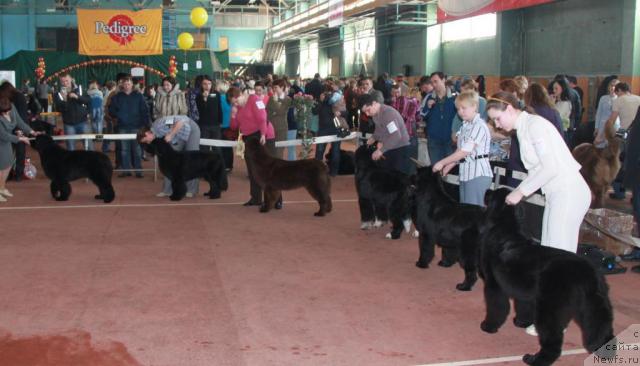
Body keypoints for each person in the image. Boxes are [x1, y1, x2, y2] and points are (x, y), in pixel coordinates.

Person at [486, 91, 590, 254]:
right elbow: (539, 170)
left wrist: (519, 192)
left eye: (497, 119)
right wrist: (519, 191)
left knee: (559, 253)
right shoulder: (523, 129)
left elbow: (550, 168)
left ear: (510, 109)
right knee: (549, 249)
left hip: (568, 192)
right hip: (556, 193)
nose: (497, 125)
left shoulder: (535, 126)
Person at [433, 91, 492, 206]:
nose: (460, 112)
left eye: (463, 108)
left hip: (478, 174)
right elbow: (459, 150)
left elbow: (465, 151)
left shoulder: (479, 126)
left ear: (474, 106)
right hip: (466, 172)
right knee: (465, 211)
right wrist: (448, 166)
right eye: (458, 109)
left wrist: (442, 162)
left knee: (473, 212)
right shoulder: (465, 126)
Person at [227, 86, 277, 207]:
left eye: (237, 100)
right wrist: (233, 115)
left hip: (264, 135)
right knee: (252, 169)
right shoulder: (237, 108)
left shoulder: (254, 99)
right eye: (233, 103)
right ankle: (255, 198)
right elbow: (234, 127)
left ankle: (276, 200)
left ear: (241, 94)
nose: (236, 103)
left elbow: (262, 118)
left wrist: (263, 134)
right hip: (249, 138)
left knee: (269, 170)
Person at [138, 115, 201, 198]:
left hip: (191, 130)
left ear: (147, 133)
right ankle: (167, 191)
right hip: (178, 136)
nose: (148, 143)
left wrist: (171, 134)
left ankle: (191, 190)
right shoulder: (156, 136)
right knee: (169, 162)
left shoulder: (160, 124)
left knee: (192, 160)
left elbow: (182, 120)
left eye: (146, 140)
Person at [598, 82, 640, 199]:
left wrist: (601, 136)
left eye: (616, 92)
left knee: (617, 161)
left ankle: (619, 193)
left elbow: (611, 120)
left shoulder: (619, 100)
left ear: (619, 91)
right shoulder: (638, 98)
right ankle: (635, 195)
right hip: (637, 134)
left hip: (625, 133)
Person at [358, 93, 411, 175]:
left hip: (400, 148)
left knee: (399, 179)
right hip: (390, 147)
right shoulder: (375, 114)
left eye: (368, 110)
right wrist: (373, 138)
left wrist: (381, 151)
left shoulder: (388, 113)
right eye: (365, 112)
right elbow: (379, 129)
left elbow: (396, 136)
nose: (367, 114)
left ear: (374, 103)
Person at [108, 76, 149, 178]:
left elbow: (145, 110)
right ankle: (126, 170)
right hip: (122, 127)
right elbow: (111, 110)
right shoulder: (117, 97)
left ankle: (138, 171)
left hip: (137, 127)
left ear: (132, 85)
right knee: (124, 150)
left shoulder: (139, 96)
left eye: (128, 84)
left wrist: (145, 125)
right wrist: (118, 116)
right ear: (122, 85)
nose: (127, 86)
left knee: (137, 149)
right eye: (125, 84)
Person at [0, 97, 39, 202]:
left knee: (7, 166)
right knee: (1, 168)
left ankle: (2, 189)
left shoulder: (11, 107)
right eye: (4, 112)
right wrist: (20, 138)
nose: (8, 113)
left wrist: (32, 132)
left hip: (6, 143)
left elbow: (20, 122)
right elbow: (4, 135)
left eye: (8, 111)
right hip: (2, 141)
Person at [422, 71, 457, 164]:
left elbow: (462, 118)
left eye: (436, 81)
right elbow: (421, 115)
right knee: (436, 169)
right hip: (434, 141)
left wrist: (456, 132)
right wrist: (427, 108)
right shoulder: (429, 97)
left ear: (443, 80)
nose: (434, 85)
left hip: (451, 140)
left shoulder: (455, 96)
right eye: (432, 82)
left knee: (450, 170)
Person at [53, 73, 91, 151]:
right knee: (70, 149)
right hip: (68, 124)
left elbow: (88, 100)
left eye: (67, 80)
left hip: (83, 122)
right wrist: (65, 100)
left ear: (71, 79)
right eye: (63, 82)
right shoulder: (58, 94)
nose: (65, 83)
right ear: (60, 82)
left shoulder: (80, 89)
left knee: (89, 147)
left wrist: (77, 97)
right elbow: (59, 109)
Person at [391, 85, 420, 174]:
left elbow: (394, 119)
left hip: (400, 135)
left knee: (400, 161)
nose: (396, 94)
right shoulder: (415, 102)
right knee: (412, 160)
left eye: (397, 92)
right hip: (411, 133)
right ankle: (411, 182)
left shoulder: (396, 102)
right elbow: (418, 117)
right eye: (394, 92)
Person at [195, 75, 223, 152]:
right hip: (204, 125)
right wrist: (204, 99)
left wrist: (220, 121)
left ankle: (218, 163)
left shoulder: (217, 94)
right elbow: (200, 110)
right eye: (205, 84)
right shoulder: (198, 96)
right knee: (204, 148)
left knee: (217, 148)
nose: (207, 86)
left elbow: (219, 108)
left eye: (209, 83)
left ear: (212, 84)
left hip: (216, 125)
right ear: (201, 85)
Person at [267, 79, 292, 159]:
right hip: (270, 128)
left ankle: (278, 171)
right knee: (270, 152)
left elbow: (281, 111)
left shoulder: (288, 99)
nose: (274, 89)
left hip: (281, 129)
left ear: (282, 87)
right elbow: (268, 113)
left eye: (276, 87)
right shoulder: (270, 98)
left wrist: (275, 102)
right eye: (273, 87)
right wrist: (276, 109)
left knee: (279, 153)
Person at [593, 78, 620, 148]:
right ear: (609, 86)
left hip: (614, 126)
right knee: (598, 146)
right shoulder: (603, 98)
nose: (613, 88)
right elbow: (599, 113)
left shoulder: (619, 99)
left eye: (615, 86)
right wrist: (596, 127)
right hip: (602, 125)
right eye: (611, 85)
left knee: (611, 147)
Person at [217, 80, 234, 172]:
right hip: (230, 126)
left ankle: (222, 165)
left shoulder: (219, 98)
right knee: (228, 147)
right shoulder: (230, 99)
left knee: (220, 147)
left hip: (221, 126)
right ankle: (229, 165)